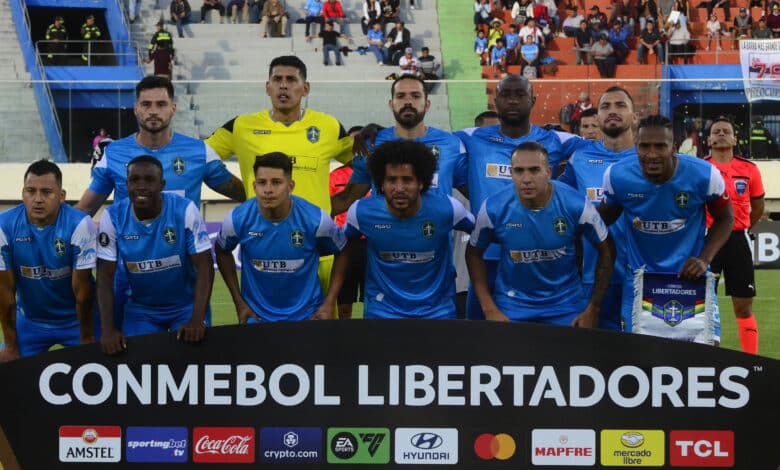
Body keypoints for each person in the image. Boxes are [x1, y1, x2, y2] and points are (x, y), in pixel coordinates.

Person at [76, 76, 245, 328]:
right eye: (146, 104)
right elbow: (85, 209)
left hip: (185, 285)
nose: (153, 111)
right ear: (136, 109)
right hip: (130, 283)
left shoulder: (199, 151)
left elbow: (242, 193)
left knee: (191, 350)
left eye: (161, 104)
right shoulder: (114, 154)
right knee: (128, 351)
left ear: (173, 108)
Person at [205, 55, 354, 294]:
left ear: (305, 88)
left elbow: (364, 166)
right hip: (263, 250)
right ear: (268, 87)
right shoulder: (242, 126)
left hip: (317, 250)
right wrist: (244, 192)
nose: (283, 86)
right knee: (263, 317)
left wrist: (342, 201)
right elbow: (202, 158)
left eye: (291, 80)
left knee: (322, 318)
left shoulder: (329, 126)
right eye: (277, 79)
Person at [456, 75, 587, 320]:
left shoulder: (555, 140)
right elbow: (431, 143)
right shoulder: (472, 137)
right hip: (485, 255)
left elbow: (599, 151)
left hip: (534, 256)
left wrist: (563, 190)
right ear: (495, 101)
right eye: (506, 95)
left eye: (520, 95)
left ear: (533, 101)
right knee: (479, 332)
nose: (513, 100)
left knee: (531, 334)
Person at [597, 115, 734, 343]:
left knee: (705, 358)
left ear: (674, 147)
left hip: (690, 281)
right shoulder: (617, 176)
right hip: (640, 283)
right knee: (639, 358)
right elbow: (601, 222)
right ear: (636, 146)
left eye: (660, 146)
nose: (652, 154)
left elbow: (726, 218)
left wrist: (704, 259)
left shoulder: (704, 175)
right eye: (644, 146)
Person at [467, 141, 614, 326]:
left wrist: (593, 308)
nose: (526, 179)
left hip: (566, 305)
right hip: (513, 304)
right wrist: (489, 308)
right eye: (519, 171)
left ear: (548, 172)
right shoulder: (493, 207)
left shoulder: (577, 204)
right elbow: (473, 253)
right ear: (511, 173)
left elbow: (607, 250)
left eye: (534, 170)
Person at [336, 140, 475, 319]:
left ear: (421, 183)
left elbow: (481, 235)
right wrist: (331, 298)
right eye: (391, 180)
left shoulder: (448, 209)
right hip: (382, 310)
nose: (399, 188)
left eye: (407, 180)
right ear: (381, 184)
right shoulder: (361, 212)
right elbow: (342, 246)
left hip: (437, 311)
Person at [97, 156, 213, 355]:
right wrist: (108, 330)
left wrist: (197, 318)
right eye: (134, 180)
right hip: (142, 310)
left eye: (149, 180)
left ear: (162, 185)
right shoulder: (113, 216)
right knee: (136, 362)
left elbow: (205, 266)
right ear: (127, 184)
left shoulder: (185, 209)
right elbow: (104, 277)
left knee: (191, 360)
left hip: (186, 306)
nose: (141, 186)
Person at [215, 153, 347, 323]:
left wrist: (329, 302)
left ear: (290, 186)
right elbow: (221, 250)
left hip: (307, 317)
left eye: (276, 182)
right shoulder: (237, 219)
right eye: (262, 182)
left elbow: (343, 249)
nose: (268, 189)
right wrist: (239, 303)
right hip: (257, 317)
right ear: (254, 186)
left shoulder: (315, 219)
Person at [559, 86, 638, 330]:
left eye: (620, 105)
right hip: (594, 276)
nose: (612, 111)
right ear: (598, 117)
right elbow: (560, 203)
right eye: (606, 106)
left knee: (642, 350)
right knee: (594, 349)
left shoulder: (649, 157)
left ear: (634, 117)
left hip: (641, 275)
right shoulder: (580, 158)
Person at [0, 161, 96, 361]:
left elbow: (83, 292)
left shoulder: (80, 224)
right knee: (6, 372)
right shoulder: (4, 225)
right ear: (23, 193)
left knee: (105, 367)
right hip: (29, 322)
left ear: (61, 196)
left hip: (76, 321)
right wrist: (10, 346)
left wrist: (87, 339)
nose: (37, 199)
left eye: (46, 192)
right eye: (31, 191)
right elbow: (5, 292)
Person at [332, 75, 468, 214]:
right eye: (401, 96)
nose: (408, 101)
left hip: (436, 228)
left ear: (427, 104)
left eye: (415, 96)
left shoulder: (451, 144)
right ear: (391, 104)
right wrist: (316, 216)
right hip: (383, 227)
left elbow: (474, 195)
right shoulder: (371, 145)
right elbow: (346, 199)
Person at [704, 117, 765, 354]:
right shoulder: (701, 168)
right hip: (708, 240)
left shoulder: (750, 170)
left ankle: (751, 361)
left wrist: (743, 227)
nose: (721, 134)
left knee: (743, 307)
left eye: (726, 131)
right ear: (708, 140)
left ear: (734, 139)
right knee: (704, 306)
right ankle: (706, 358)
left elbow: (757, 207)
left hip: (738, 240)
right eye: (716, 131)